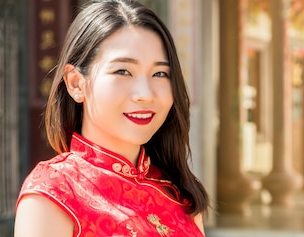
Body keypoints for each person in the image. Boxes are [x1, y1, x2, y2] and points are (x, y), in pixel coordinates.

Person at [14, 0, 209, 236]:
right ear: (76, 83)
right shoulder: (53, 192)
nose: (145, 94)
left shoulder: (180, 192)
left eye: (160, 73)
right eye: (123, 71)